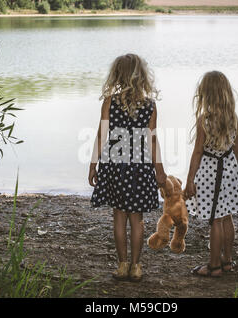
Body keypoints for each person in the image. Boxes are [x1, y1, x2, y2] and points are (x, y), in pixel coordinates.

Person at [88, 54, 167, 282]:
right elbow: (152, 140)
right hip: (140, 167)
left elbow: (102, 134)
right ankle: (136, 267)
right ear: (142, 76)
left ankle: (122, 266)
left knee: (119, 217)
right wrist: (159, 170)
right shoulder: (149, 105)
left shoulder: (110, 102)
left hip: (114, 166)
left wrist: (93, 165)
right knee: (137, 218)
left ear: (117, 75)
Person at [185, 71, 238, 277]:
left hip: (210, 171)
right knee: (226, 217)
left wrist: (190, 180)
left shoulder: (205, 120)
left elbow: (198, 152)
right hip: (230, 170)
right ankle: (227, 261)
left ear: (206, 95)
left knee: (215, 220)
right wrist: (232, 171)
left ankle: (213, 266)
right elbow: (237, 150)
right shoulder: (233, 118)